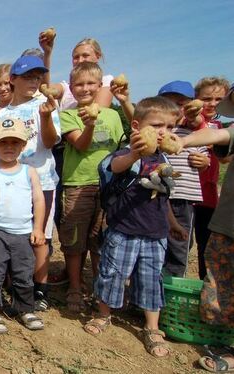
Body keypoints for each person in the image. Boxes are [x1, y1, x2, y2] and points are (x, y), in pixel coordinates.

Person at [84, 97, 182, 358]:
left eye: (171, 127)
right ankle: (104, 314)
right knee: (112, 273)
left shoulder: (165, 161)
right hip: (123, 230)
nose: (164, 132)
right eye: (157, 124)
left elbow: (164, 196)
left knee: (151, 278)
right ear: (137, 126)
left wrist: (173, 224)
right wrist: (137, 152)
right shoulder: (127, 154)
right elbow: (114, 167)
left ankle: (151, 327)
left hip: (155, 232)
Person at [58, 62, 124, 312]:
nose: (84, 88)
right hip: (78, 183)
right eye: (79, 84)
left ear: (99, 86)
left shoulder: (113, 115)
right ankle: (75, 286)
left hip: (107, 185)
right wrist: (90, 124)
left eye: (90, 84)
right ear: (71, 89)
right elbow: (82, 145)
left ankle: (100, 288)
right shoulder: (68, 115)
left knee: (100, 239)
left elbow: (119, 149)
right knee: (74, 240)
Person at [0, 113, 46, 333]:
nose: (9, 146)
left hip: (23, 233)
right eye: (3, 142)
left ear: (23, 145)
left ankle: (25, 308)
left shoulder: (29, 171)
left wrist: (39, 227)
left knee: (24, 272)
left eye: (14, 142)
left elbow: (39, 200)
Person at [0, 55, 60, 311]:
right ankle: (17, 285)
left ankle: (40, 289)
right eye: (28, 77)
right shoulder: (2, 113)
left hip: (43, 181)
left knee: (40, 236)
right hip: (12, 182)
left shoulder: (45, 104)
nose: (34, 81)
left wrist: (46, 117)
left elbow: (51, 142)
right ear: (13, 80)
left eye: (37, 76)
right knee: (14, 234)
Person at [180, 89, 234, 370]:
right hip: (227, 220)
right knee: (218, 275)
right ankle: (225, 338)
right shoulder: (229, 130)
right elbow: (215, 136)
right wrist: (185, 141)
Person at [156, 81, 210, 277]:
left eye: (181, 104)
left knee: (179, 242)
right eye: (169, 104)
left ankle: (173, 285)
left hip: (182, 197)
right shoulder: (158, 132)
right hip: (157, 195)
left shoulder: (197, 134)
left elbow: (206, 159)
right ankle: (153, 285)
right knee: (155, 241)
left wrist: (204, 162)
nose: (176, 109)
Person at [193, 77, 231, 280]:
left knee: (206, 244)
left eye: (219, 98)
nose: (213, 103)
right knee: (180, 243)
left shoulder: (220, 126)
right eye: (206, 98)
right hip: (186, 195)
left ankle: (203, 287)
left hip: (207, 195)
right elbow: (196, 122)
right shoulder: (188, 120)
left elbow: (224, 159)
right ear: (196, 99)